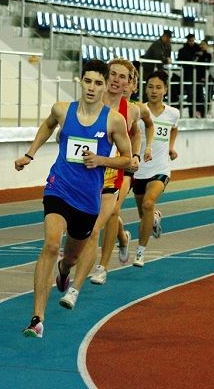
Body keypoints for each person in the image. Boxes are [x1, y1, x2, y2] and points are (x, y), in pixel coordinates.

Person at [15, 60, 132, 338]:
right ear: (81, 81)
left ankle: (64, 269)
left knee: (70, 256)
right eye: (87, 81)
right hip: (59, 187)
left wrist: (101, 160)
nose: (92, 87)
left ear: (105, 86)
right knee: (51, 244)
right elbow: (47, 126)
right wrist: (30, 154)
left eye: (98, 83)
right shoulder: (62, 110)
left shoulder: (114, 120)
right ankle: (37, 319)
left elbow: (128, 159)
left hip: (88, 200)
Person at [59, 59, 153, 308]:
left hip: (114, 173)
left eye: (122, 77)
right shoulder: (91, 99)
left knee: (98, 225)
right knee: (86, 226)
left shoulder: (131, 110)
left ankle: (90, 276)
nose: (115, 80)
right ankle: (119, 239)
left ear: (129, 83)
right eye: (112, 74)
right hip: (85, 174)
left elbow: (138, 131)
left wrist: (136, 154)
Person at [132, 70, 179, 267]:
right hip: (139, 169)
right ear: (145, 89)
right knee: (144, 214)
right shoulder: (138, 110)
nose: (154, 91)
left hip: (161, 168)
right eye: (150, 87)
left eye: (158, 87)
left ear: (165, 90)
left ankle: (140, 252)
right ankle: (154, 217)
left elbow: (174, 129)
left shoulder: (173, 113)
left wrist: (170, 147)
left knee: (148, 203)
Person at [177, 35, 211, 118]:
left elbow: (205, 60)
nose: (192, 42)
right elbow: (180, 62)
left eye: (193, 40)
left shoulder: (199, 49)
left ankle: (201, 114)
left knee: (200, 95)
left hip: (198, 76)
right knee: (191, 96)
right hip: (188, 76)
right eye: (190, 40)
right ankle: (192, 114)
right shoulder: (183, 50)